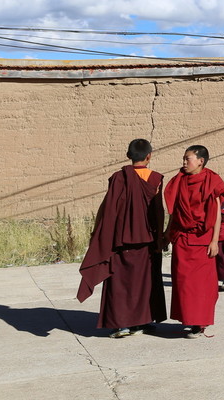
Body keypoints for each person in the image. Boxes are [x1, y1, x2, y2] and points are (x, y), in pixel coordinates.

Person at [77, 138, 167, 338]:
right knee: (144, 283)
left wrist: (96, 232)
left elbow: (107, 207)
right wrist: (160, 237)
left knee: (119, 283)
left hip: (120, 240)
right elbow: (158, 211)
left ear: (129, 155)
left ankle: (122, 325)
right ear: (149, 156)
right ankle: (141, 321)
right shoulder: (155, 178)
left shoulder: (118, 177)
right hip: (146, 239)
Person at [164, 144, 224, 338]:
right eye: (183, 159)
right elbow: (174, 212)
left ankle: (199, 323)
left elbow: (216, 213)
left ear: (200, 161)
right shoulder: (179, 181)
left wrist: (215, 241)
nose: (184, 162)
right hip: (183, 239)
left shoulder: (211, 180)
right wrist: (167, 235)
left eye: (187, 159)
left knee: (201, 286)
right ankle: (188, 319)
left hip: (203, 241)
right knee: (184, 284)